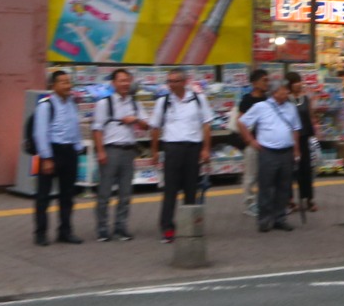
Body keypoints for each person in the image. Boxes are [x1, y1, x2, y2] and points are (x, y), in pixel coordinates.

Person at [150, 69, 211, 243]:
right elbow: (155, 128)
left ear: (185, 82)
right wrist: (155, 151)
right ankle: (167, 228)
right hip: (172, 148)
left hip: (193, 148)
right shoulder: (163, 102)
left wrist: (206, 149)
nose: (172, 84)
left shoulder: (199, 99)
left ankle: (189, 226)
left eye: (175, 81)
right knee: (170, 191)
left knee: (191, 190)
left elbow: (206, 125)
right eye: (169, 81)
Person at [90, 68, 150, 242]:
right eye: (121, 80)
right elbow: (97, 129)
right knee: (105, 193)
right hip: (110, 150)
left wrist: (136, 120)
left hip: (128, 151)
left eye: (127, 81)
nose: (125, 84)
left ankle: (120, 227)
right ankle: (102, 229)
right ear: (113, 83)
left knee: (126, 193)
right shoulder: (104, 103)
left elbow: (147, 125)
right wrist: (100, 151)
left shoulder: (135, 103)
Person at [238, 78, 302, 232]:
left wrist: (296, 150)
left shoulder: (291, 108)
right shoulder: (261, 107)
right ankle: (264, 219)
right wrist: (250, 140)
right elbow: (242, 122)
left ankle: (280, 218)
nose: (287, 92)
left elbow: (295, 129)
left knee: (284, 187)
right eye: (283, 90)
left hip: (286, 152)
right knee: (266, 187)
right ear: (274, 92)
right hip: (268, 152)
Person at [30, 70, 85, 246]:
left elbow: (76, 129)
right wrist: (46, 158)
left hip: (69, 153)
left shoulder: (72, 103)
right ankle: (40, 233)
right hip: (51, 152)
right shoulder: (46, 105)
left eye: (69, 82)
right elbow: (40, 133)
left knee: (67, 195)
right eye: (63, 82)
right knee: (43, 196)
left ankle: (65, 231)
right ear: (53, 86)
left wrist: (77, 150)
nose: (68, 85)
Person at [238, 69, 270, 216]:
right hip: (253, 143)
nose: (267, 83)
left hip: (268, 143)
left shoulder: (269, 99)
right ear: (255, 83)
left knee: (265, 176)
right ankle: (250, 203)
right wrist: (249, 140)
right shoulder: (247, 100)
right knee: (251, 176)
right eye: (264, 80)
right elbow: (240, 122)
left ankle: (264, 202)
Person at [287, 73, 317, 213]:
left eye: (299, 81)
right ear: (289, 84)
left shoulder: (306, 98)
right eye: (295, 82)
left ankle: (309, 199)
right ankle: (290, 201)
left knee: (306, 170)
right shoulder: (286, 100)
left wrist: (315, 133)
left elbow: (311, 117)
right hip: (289, 140)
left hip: (304, 138)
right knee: (289, 171)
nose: (298, 84)